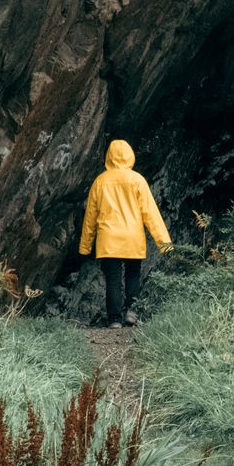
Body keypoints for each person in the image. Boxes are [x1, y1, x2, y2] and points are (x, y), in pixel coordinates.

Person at [79, 139, 173, 329]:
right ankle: (132, 312)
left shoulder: (101, 181)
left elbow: (90, 217)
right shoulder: (137, 180)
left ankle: (114, 320)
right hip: (132, 237)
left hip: (109, 238)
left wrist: (85, 246)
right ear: (130, 155)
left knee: (113, 279)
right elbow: (151, 213)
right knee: (132, 276)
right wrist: (165, 244)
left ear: (109, 156)